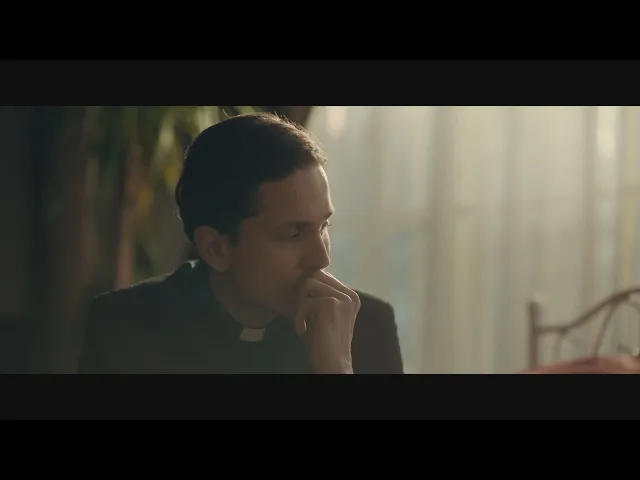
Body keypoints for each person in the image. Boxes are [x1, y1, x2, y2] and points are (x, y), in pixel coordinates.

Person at [78, 112, 404, 374]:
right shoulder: (123, 329)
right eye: (293, 233)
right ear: (216, 249)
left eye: (324, 226)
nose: (321, 258)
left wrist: (337, 370)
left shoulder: (367, 327)